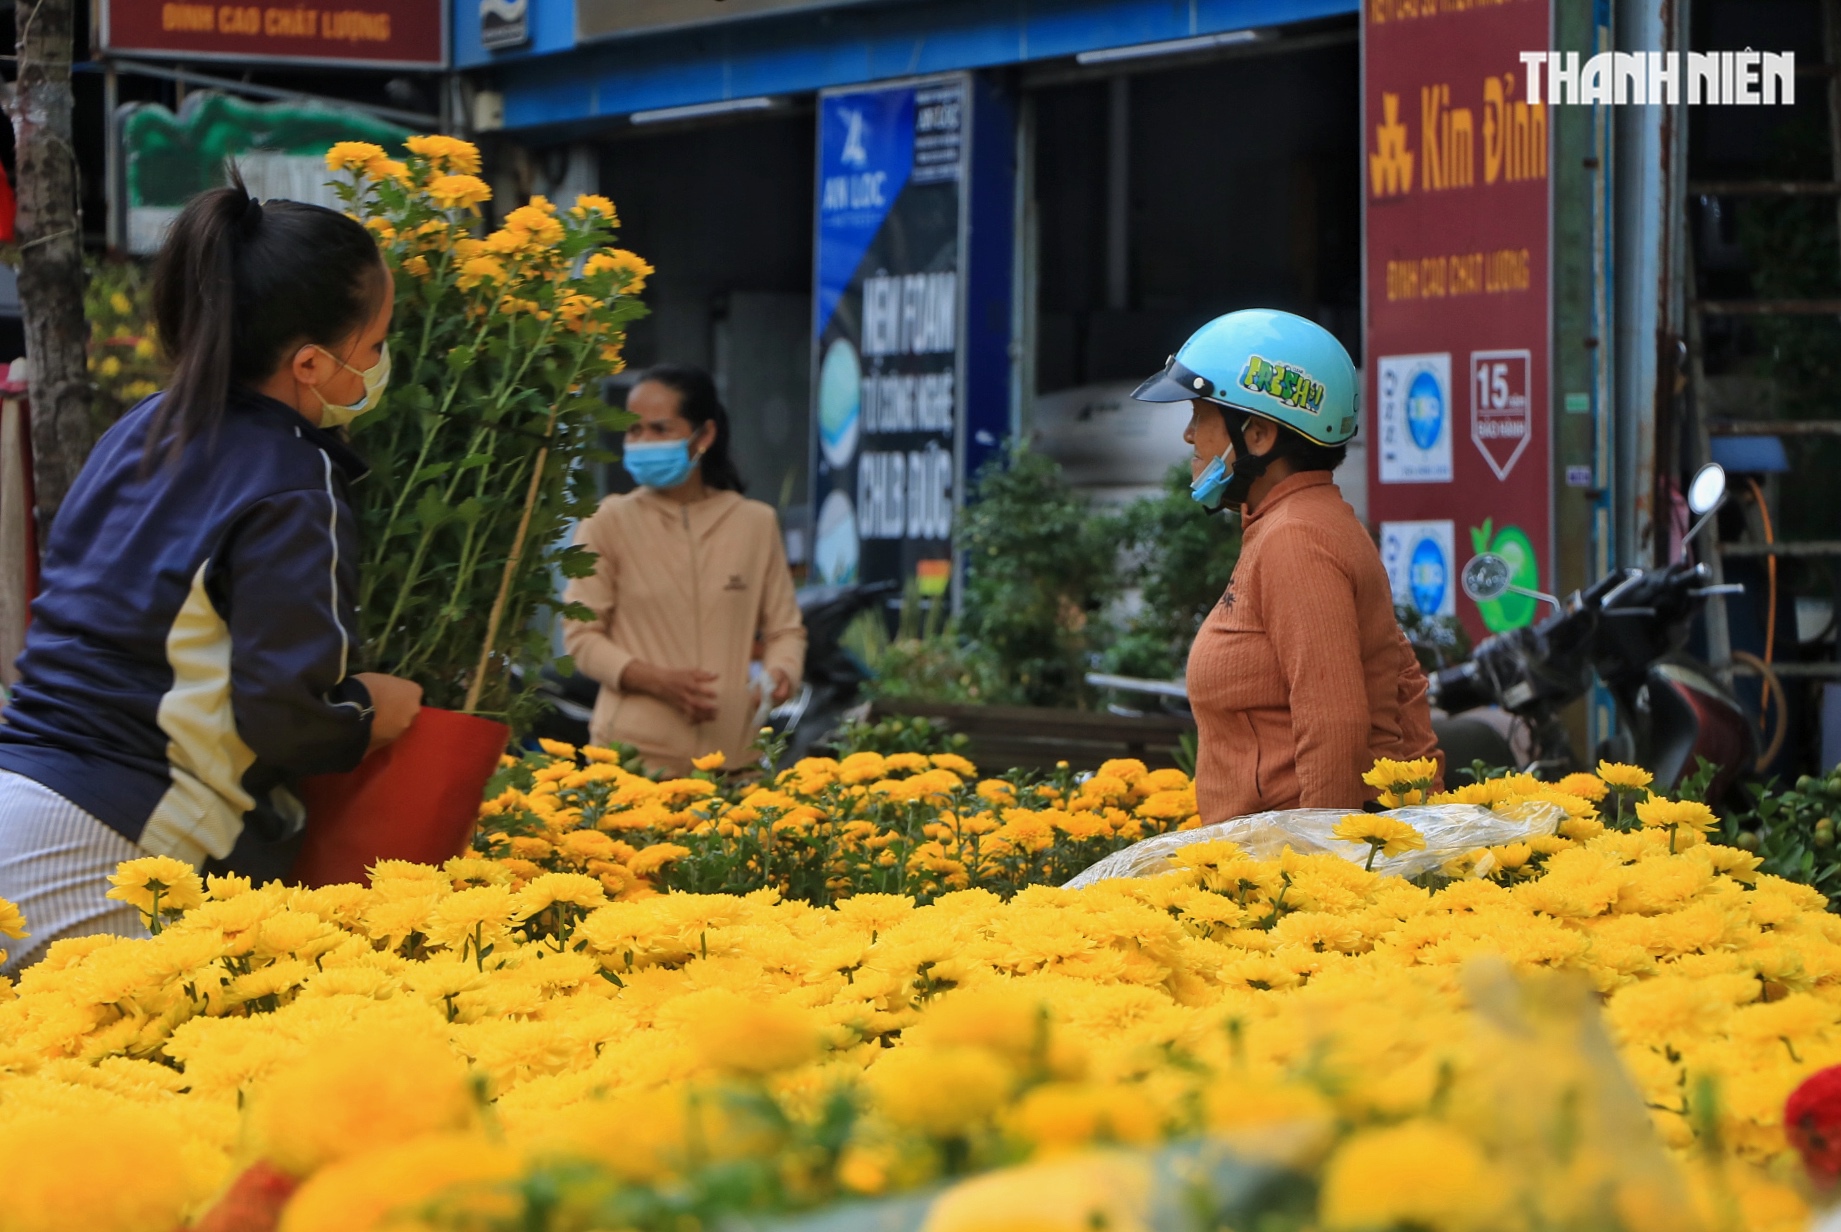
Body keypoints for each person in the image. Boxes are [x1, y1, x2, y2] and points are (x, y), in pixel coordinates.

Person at [0, 175, 425, 971]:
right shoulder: (294, 478)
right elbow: (283, 711)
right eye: (373, 346)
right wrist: (368, 710)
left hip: (18, 799)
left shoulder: (138, 430)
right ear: (309, 362)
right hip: (115, 851)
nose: (376, 366)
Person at [1133, 309, 1441, 824]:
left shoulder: (1296, 539)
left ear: (1256, 435)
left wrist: (1323, 880)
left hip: (1291, 871)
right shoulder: (1294, 523)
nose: (1189, 436)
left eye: (1201, 415)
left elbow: (1335, 729)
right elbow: (1401, 679)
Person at [563, 366, 805, 773]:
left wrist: (782, 673)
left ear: (704, 436)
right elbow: (582, 636)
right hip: (631, 765)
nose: (642, 442)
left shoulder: (754, 523)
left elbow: (785, 630)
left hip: (732, 765)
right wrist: (655, 680)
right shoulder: (607, 521)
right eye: (633, 430)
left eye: (659, 429)